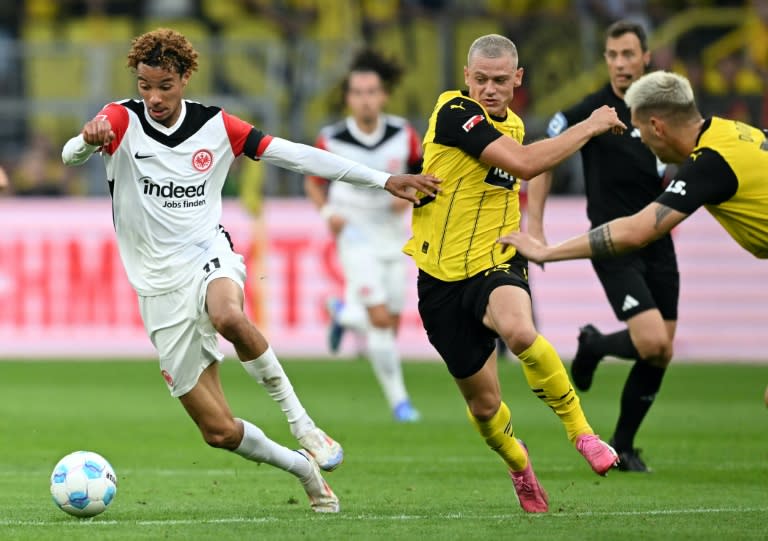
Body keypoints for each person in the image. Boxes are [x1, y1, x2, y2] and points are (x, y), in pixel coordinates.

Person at [61, 28, 440, 514]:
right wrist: (86, 140)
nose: (153, 97)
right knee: (218, 431)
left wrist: (383, 179)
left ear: (185, 77)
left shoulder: (217, 127)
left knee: (229, 316)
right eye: (145, 86)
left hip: (207, 255)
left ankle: (304, 424)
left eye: (165, 86)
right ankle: (302, 466)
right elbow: (71, 153)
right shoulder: (121, 119)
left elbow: (297, 155)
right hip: (156, 289)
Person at [404, 34, 626, 514]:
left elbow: (530, 163)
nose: (489, 88)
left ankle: (583, 434)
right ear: (466, 78)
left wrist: (536, 229)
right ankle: (520, 465)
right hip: (439, 279)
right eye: (480, 79)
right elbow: (526, 165)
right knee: (485, 409)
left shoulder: (518, 127)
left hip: (496, 260)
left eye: (500, 80)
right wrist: (589, 126)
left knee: (521, 330)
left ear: (517, 79)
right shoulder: (453, 112)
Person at [499, 70, 768, 362]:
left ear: (656, 127)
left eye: (639, 132)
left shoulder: (710, 162)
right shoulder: (735, 132)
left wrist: (548, 252)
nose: (641, 144)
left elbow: (636, 231)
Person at [528, 20, 677, 473]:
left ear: (646, 57)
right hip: (611, 242)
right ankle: (592, 347)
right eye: (612, 55)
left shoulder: (666, 108)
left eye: (628, 54)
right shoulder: (593, 109)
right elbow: (542, 152)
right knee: (651, 341)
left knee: (661, 350)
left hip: (658, 238)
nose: (619, 64)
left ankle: (624, 444)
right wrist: (534, 223)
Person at [304, 49, 422, 423]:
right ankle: (401, 402)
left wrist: (412, 198)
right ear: (348, 97)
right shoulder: (331, 139)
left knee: (390, 320)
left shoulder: (403, 135)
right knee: (380, 320)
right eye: (358, 92)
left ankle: (343, 313)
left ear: (383, 95)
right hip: (354, 233)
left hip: (392, 236)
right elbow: (313, 180)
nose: (365, 99)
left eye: (372, 91)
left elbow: (422, 174)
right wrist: (327, 213)